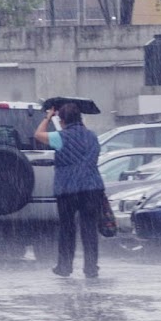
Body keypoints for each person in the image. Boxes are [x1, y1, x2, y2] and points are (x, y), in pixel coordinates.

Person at [34, 102, 105, 278]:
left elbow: (38, 135)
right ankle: (91, 268)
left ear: (62, 120)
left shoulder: (60, 137)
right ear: (80, 119)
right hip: (92, 188)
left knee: (67, 228)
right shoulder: (92, 136)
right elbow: (84, 138)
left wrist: (48, 117)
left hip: (67, 189)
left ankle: (64, 267)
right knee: (89, 228)